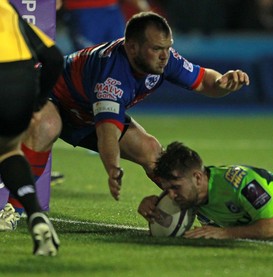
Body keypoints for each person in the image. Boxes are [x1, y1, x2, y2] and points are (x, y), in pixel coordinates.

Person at [22, 11, 250, 203]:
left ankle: (185, 206)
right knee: (48, 126)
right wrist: (113, 169)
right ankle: (14, 208)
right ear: (131, 48)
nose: (164, 56)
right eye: (157, 49)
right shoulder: (111, 74)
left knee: (151, 150)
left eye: (168, 48)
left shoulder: (166, 60)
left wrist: (224, 83)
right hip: (45, 94)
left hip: (83, 112)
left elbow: (205, 82)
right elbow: (107, 134)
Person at [0, 0, 63, 255]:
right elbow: (54, 59)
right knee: (8, 151)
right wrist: (38, 100)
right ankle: (35, 214)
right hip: (20, 82)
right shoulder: (6, 9)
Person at [138, 142, 273, 240]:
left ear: (198, 178)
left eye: (175, 187)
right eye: (166, 189)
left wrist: (227, 233)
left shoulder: (241, 183)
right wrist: (154, 208)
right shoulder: (191, 194)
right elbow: (175, 225)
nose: (171, 196)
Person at [60, 0, 151, 51]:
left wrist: (141, 5)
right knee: (89, 60)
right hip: (83, 10)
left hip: (111, 10)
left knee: (120, 54)